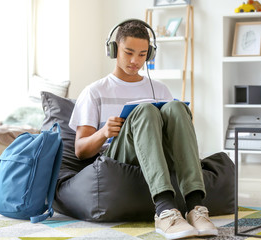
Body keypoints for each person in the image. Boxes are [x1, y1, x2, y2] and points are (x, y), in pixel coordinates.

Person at [68, 19, 218, 239]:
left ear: (150, 54)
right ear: (113, 49)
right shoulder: (94, 91)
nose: (135, 60)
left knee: (176, 106)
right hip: (120, 160)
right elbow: (80, 150)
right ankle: (165, 210)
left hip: (159, 156)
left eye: (142, 54)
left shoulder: (160, 89)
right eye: (128, 52)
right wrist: (103, 133)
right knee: (145, 110)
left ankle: (196, 207)